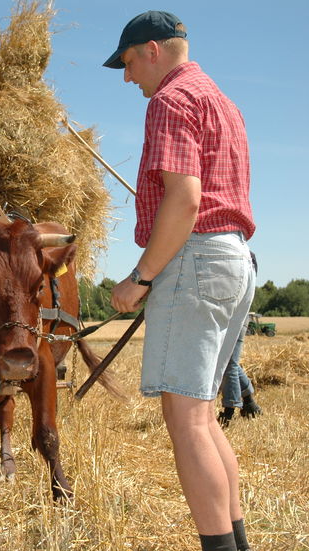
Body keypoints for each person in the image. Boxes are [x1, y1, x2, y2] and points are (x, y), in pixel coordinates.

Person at [105, 11, 255, 551]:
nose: (128, 79)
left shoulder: (171, 99)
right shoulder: (221, 99)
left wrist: (140, 277)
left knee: (186, 422)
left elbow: (185, 199)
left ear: (151, 49)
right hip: (234, 258)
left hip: (194, 261)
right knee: (205, 416)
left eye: (126, 64)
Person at [218, 253, 262, 428]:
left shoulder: (238, 258)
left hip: (236, 313)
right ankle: (249, 402)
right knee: (231, 363)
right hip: (235, 312)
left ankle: (229, 411)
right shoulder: (246, 257)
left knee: (229, 363)